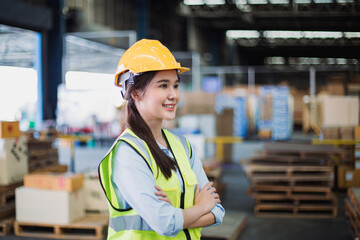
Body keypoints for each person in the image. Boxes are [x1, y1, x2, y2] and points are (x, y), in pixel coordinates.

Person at [98, 39, 225, 240]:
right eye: (163, 85)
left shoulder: (182, 146)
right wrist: (200, 207)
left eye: (175, 85)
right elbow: (166, 223)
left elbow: (217, 212)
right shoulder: (128, 152)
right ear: (136, 93)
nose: (173, 94)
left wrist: (177, 215)